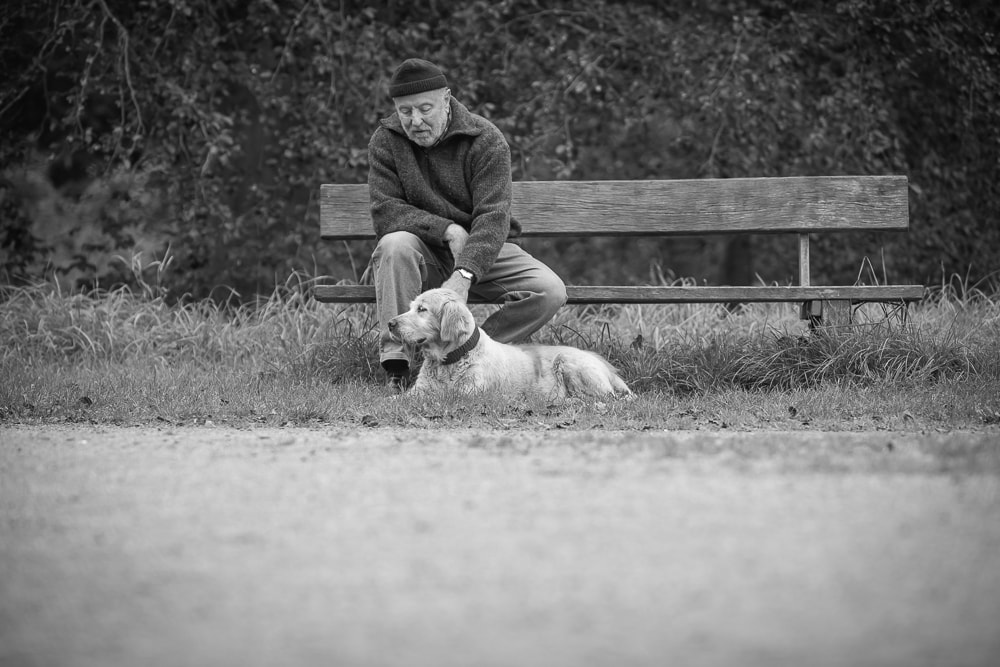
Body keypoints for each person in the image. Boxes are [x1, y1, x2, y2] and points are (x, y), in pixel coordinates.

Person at [368, 57, 567, 390]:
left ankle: (472, 353)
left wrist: (465, 272)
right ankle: (397, 370)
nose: (415, 121)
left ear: (446, 99)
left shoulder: (485, 139)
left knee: (549, 291)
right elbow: (386, 211)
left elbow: (493, 217)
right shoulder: (386, 141)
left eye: (425, 109)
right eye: (405, 112)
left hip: (483, 250)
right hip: (423, 253)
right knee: (394, 244)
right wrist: (445, 229)